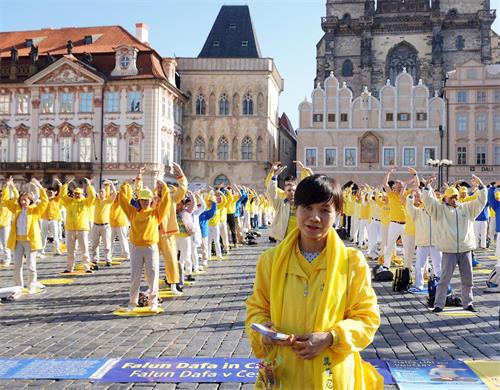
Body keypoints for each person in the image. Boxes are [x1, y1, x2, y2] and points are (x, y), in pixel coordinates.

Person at [246, 174, 382, 389]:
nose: (314, 217)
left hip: (330, 375)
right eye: (307, 208)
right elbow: (257, 308)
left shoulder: (352, 263)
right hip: (284, 373)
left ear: (338, 213)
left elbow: (367, 317)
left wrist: (331, 337)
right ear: (296, 208)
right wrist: (264, 331)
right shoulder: (270, 262)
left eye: (324, 210)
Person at [421, 174, 487, 312]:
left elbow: (481, 201)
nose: (455, 199)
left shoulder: (467, 208)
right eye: (451, 197)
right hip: (449, 250)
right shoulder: (440, 210)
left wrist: (481, 186)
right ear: (445, 198)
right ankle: (439, 304)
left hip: (465, 248)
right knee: (444, 279)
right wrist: (427, 188)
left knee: (468, 279)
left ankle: (468, 303)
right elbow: (428, 203)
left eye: (456, 196)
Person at [119, 177, 170, 312]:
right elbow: (122, 200)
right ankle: (132, 302)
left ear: (151, 200)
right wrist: (125, 184)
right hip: (136, 247)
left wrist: (164, 188)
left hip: (150, 247)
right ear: (139, 200)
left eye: (147, 200)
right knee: (135, 276)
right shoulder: (132, 212)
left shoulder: (156, 213)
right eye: (142, 200)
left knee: (153, 274)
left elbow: (166, 203)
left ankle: (153, 301)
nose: (144, 202)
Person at [2, 177, 48, 293]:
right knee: (17, 266)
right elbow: (6, 200)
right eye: (22, 200)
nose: (23, 202)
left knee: (31, 266)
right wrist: (8, 186)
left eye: (25, 200)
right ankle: (19, 287)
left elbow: (45, 201)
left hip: (30, 241)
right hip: (17, 241)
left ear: (30, 201)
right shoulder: (16, 209)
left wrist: (40, 187)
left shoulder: (35, 210)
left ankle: (31, 286)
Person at [61, 178, 96, 273]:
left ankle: (87, 267)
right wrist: (65, 184)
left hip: (82, 229)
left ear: (82, 194)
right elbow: (62, 195)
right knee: (70, 251)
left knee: (84, 250)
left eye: (78, 194)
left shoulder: (85, 202)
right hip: (70, 229)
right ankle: (69, 268)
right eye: (75, 193)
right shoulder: (69, 202)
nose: (76, 195)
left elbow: (92, 196)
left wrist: (89, 185)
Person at [90, 180, 115, 267]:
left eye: (103, 192)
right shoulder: (96, 200)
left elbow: (114, 195)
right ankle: (94, 259)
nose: (101, 193)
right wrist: (90, 184)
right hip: (96, 225)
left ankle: (108, 260)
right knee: (94, 244)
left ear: (105, 194)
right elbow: (91, 193)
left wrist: (111, 184)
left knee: (107, 244)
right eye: (100, 192)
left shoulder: (108, 201)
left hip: (105, 226)